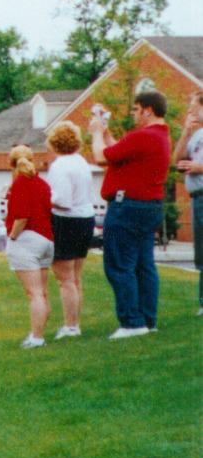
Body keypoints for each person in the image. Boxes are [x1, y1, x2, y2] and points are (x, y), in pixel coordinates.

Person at [88, 90, 171, 339]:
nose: (133, 114)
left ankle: (132, 323)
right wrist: (106, 133)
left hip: (127, 207)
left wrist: (95, 133)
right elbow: (119, 152)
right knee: (144, 265)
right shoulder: (159, 137)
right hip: (149, 206)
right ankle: (147, 319)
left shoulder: (143, 136)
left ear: (148, 110)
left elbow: (101, 157)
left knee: (119, 265)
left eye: (136, 109)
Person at [43, 120, 94, 338]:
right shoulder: (81, 162)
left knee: (65, 279)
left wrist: (43, 197)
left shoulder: (60, 166)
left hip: (66, 221)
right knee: (75, 277)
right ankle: (74, 323)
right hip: (85, 218)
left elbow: (63, 201)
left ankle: (71, 326)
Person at [3, 144, 55, 348]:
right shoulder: (43, 183)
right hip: (46, 239)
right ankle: (37, 333)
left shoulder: (20, 184)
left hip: (27, 240)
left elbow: (22, 217)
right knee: (42, 292)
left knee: (34, 293)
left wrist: (13, 237)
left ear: (11, 164)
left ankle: (37, 337)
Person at [174, 92, 203, 316]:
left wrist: (198, 168)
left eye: (194, 107)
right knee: (200, 252)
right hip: (196, 197)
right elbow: (176, 160)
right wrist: (185, 132)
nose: (190, 111)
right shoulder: (197, 135)